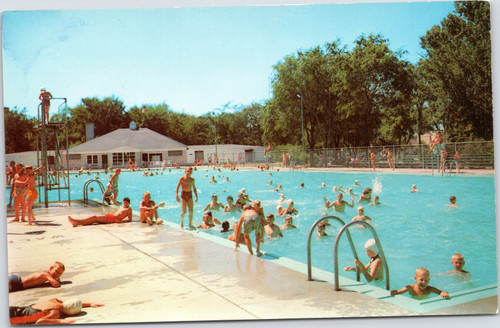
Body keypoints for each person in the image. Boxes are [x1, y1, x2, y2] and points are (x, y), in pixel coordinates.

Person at [9, 297, 103, 325]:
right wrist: (60, 321)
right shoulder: (56, 313)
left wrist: (89, 304)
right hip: (14, 318)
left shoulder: (55, 301)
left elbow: (70, 304)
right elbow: (40, 322)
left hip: (15, 309)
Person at [68, 198, 133, 227]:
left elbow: (130, 220)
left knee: (94, 218)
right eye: (124, 202)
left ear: (129, 203)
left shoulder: (129, 209)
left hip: (112, 219)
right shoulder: (122, 207)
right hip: (111, 216)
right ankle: (77, 223)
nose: (125, 204)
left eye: (126, 203)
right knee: (94, 220)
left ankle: (76, 221)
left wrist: (121, 221)